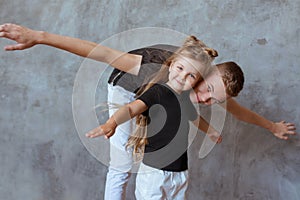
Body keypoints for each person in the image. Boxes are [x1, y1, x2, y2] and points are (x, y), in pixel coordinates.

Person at [0, 23, 296, 200]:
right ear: (201, 74)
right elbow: (98, 51)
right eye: (206, 92)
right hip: (127, 92)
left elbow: (238, 111)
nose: (206, 100)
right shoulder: (157, 68)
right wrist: (38, 36)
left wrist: (271, 126)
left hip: (160, 105)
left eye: (212, 100)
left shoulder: (203, 87)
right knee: (122, 163)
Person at [86, 36, 227, 199]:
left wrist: (210, 131)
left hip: (180, 172)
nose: (182, 77)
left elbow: (194, 118)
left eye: (191, 76)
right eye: (180, 68)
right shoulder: (157, 92)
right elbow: (131, 108)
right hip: (154, 173)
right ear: (172, 64)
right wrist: (112, 122)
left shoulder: (185, 98)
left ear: (197, 80)